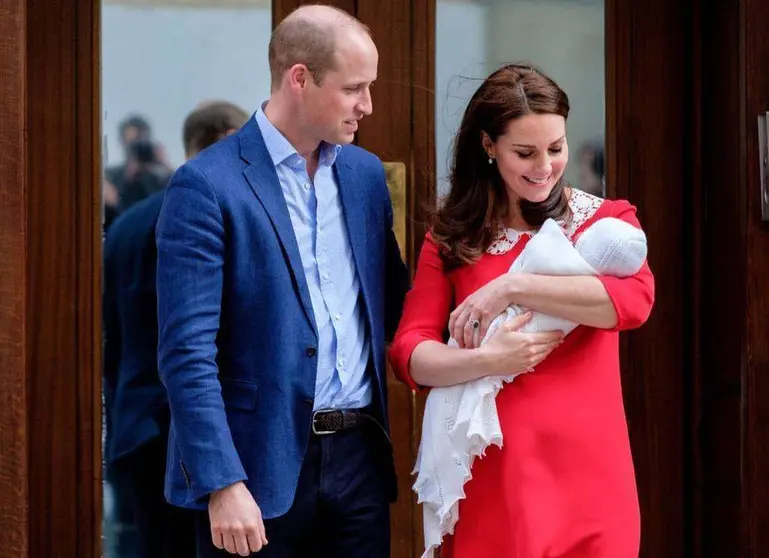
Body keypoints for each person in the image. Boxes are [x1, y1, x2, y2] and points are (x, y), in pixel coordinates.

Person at [155, 6, 410, 558]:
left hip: (360, 461)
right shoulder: (205, 185)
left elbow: (399, 304)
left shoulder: (365, 177)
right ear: (300, 78)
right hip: (254, 472)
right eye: (354, 89)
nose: (367, 105)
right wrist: (222, 482)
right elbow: (186, 352)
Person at [388, 63, 655, 558]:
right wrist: (489, 361)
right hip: (501, 475)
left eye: (556, 148)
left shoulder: (606, 222)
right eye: (525, 153)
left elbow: (633, 303)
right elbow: (410, 353)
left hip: (595, 474)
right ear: (489, 146)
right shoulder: (451, 240)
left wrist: (513, 287)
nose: (545, 167)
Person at [103, 100, 250, 557]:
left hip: (136, 420)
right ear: (229, 137)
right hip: (200, 426)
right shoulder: (220, 214)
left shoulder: (127, 223)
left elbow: (112, 335)